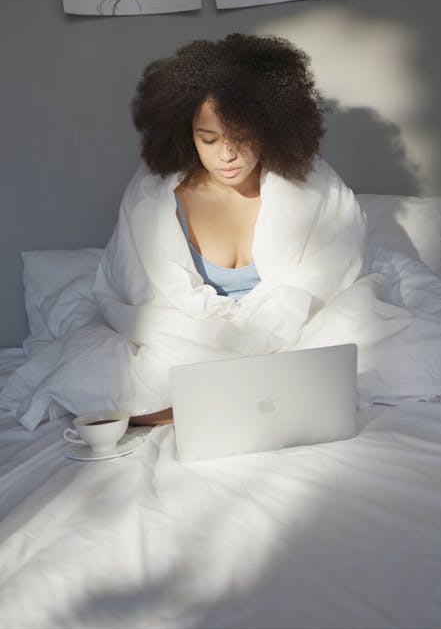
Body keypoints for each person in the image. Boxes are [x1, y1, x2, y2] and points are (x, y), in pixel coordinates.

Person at [93, 33, 367, 424]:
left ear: (270, 128)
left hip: (296, 334)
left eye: (241, 137)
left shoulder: (313, 187)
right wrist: (232, 345)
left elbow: (335, 268)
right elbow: (139, 293)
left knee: (364, 336)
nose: (227, 155)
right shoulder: (150, 198)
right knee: (124, 371)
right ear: (186, 133)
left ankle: (208, 399)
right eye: (209, 138)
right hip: (191, 337)